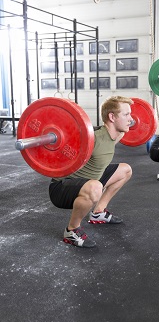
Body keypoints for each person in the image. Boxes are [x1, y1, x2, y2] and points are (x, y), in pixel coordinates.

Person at [49, 96, 133, 248]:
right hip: (61, 188)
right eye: (126, 115)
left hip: (92, 180)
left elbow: (124, 131)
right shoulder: (94, 138)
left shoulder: (114, 135)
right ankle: (72, 230)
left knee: (125, 170)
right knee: (95, 187)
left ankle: (98, 212)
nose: (131, 119)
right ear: (112, 117)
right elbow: (64, 153)